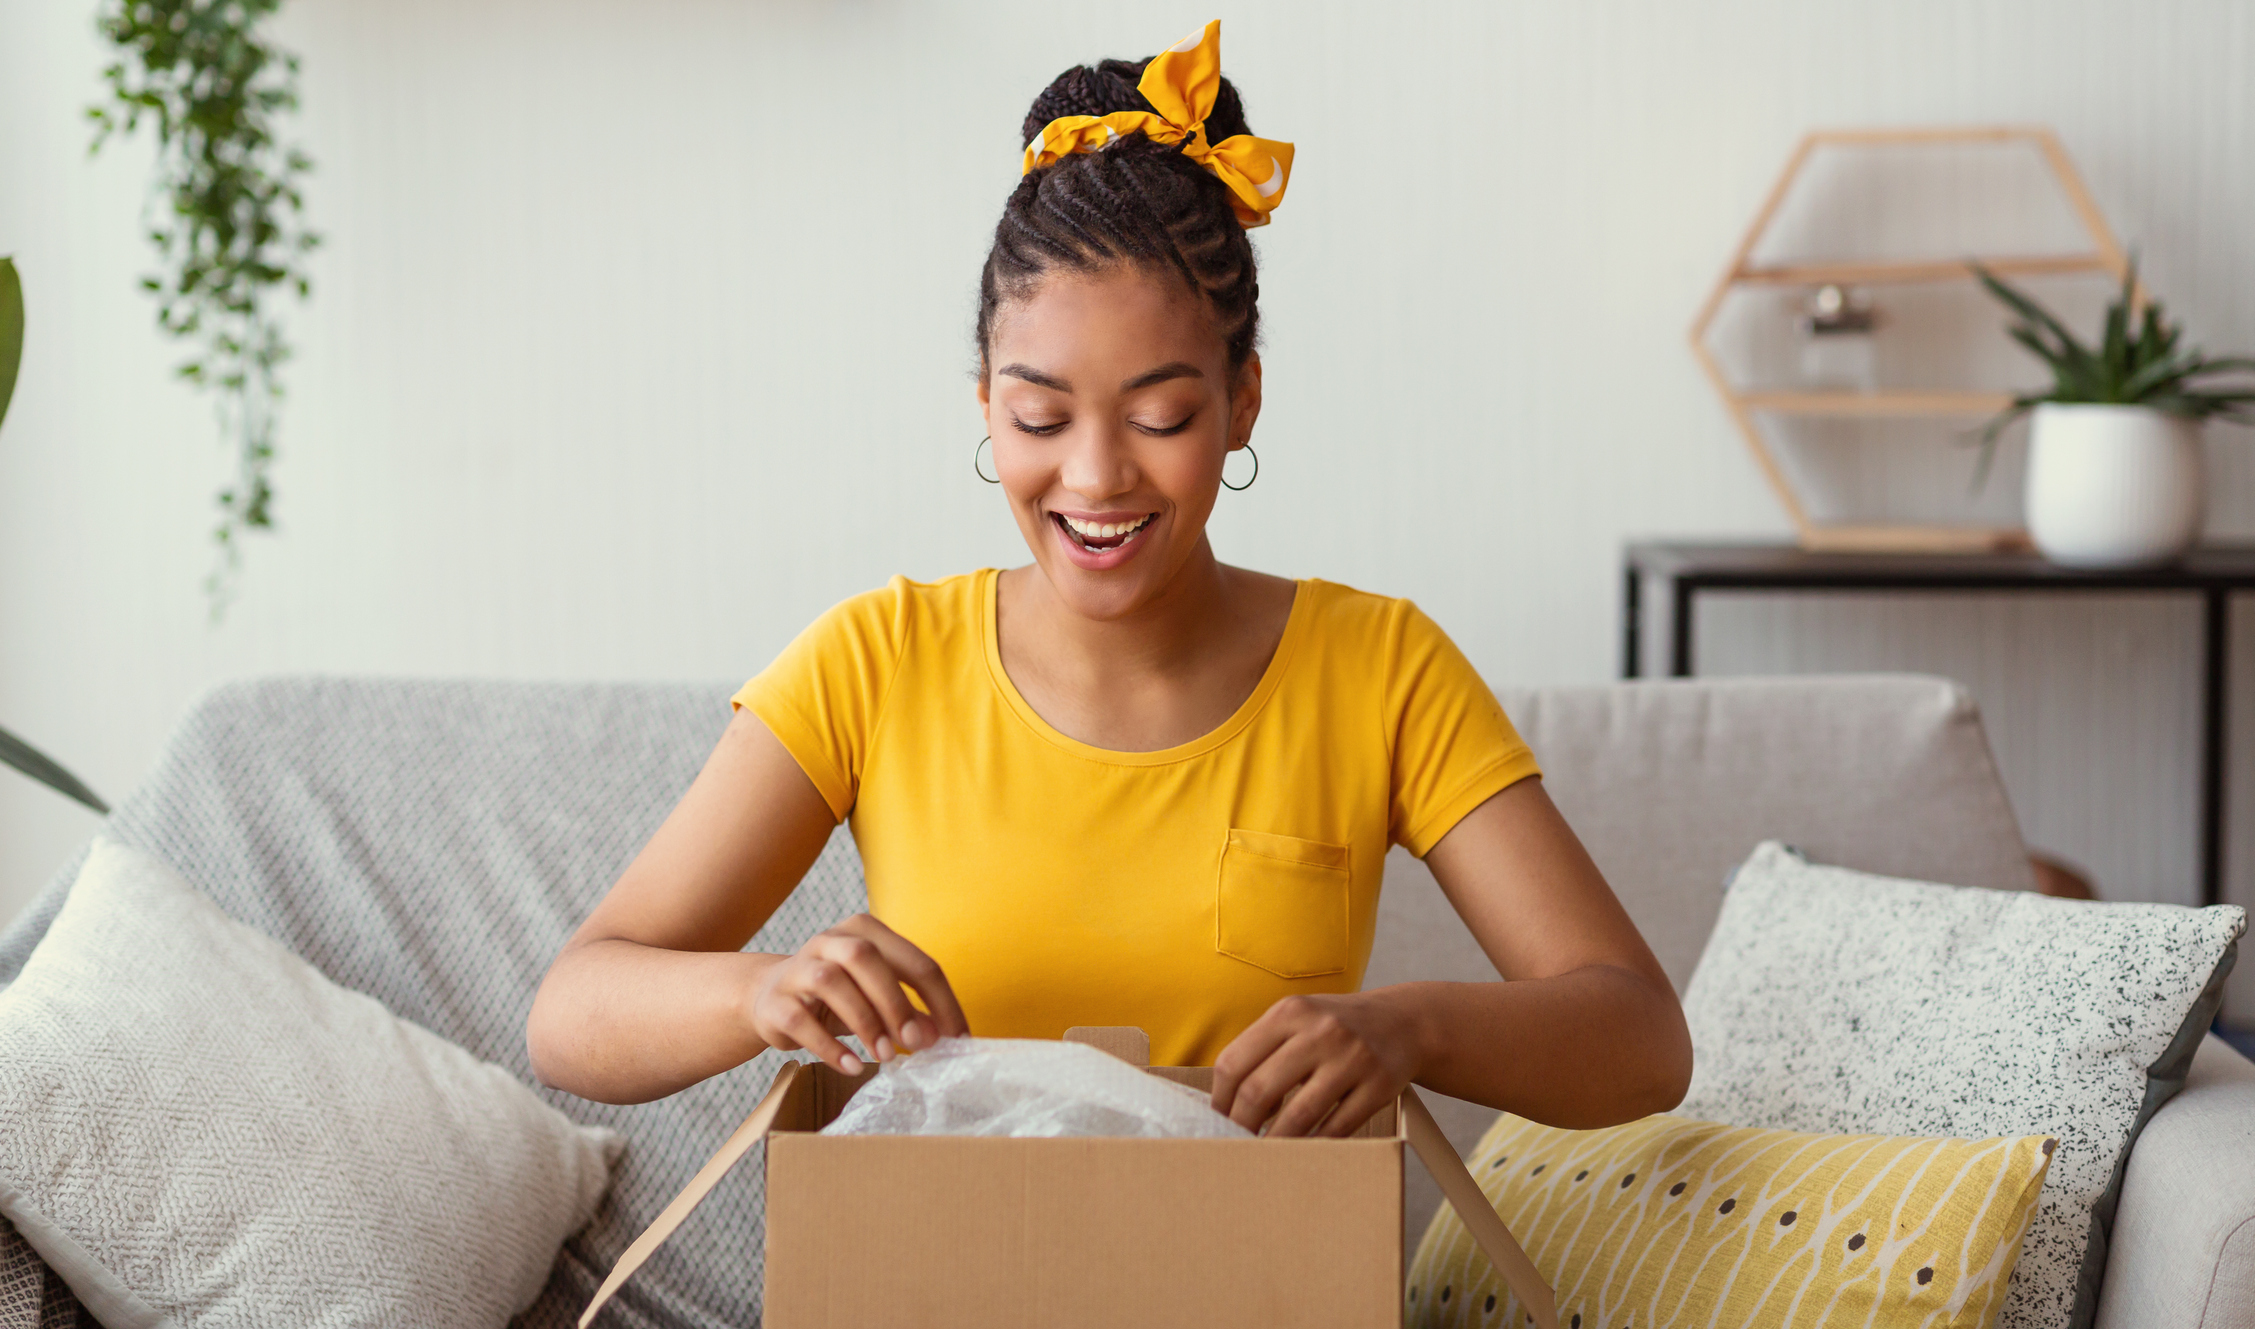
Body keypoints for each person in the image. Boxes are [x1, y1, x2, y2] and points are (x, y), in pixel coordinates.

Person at [527, 21, 1690, 1139]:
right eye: (1039, 414)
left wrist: (1412, 1027)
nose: (1094, 477)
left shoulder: (1380, 669)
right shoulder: (873, 661)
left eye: (1159, 414)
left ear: (1240, 404)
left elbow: (1641, 1041)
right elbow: (572, 1013)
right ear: (984, 403)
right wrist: (761, 993)